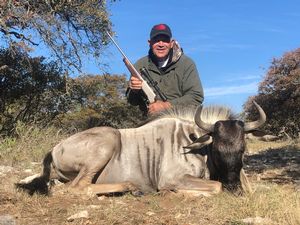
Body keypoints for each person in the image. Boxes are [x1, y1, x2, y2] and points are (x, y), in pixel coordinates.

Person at [126, 23, 204, 116]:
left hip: (182, 121)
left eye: (165, 40)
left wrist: (166, 106)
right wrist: (134, 90)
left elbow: (196, 97)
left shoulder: (187, 63)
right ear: (149, 43)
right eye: (156, 40)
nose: (161, 44)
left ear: (171, 43)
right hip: (150, 121)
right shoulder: (139, 65)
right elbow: (132, 101)